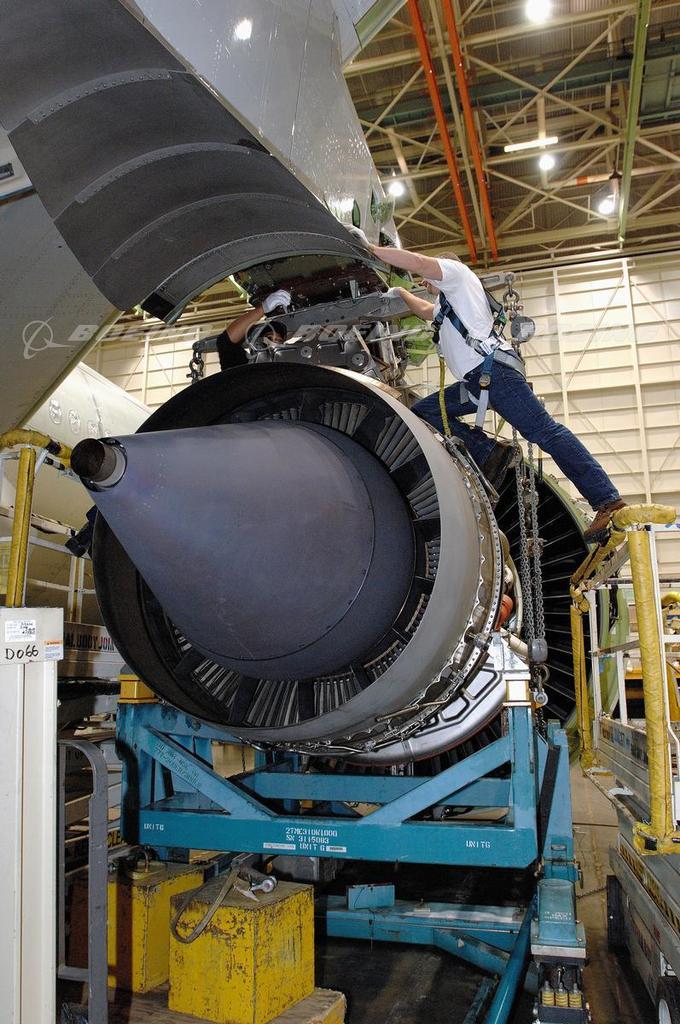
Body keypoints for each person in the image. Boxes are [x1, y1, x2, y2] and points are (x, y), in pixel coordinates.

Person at [349, 227, 625, 543]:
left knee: (545, 432)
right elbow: (424, 310)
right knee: (426, 413)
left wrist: (373, 250)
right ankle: (490, 452)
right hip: (478, 382)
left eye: (429, 280)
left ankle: (606, 499)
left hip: (495, 375)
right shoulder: (448, 306)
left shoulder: (457, 275)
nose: (424, 284)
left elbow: (421, 263)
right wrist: (400, 293)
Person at [215, 289, 292, 370]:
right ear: (257, 343)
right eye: (269, 338)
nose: (274, 343)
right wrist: (263, 308)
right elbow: (225, 342)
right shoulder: (243, 368)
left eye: (279, 341)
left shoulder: (289, 369)